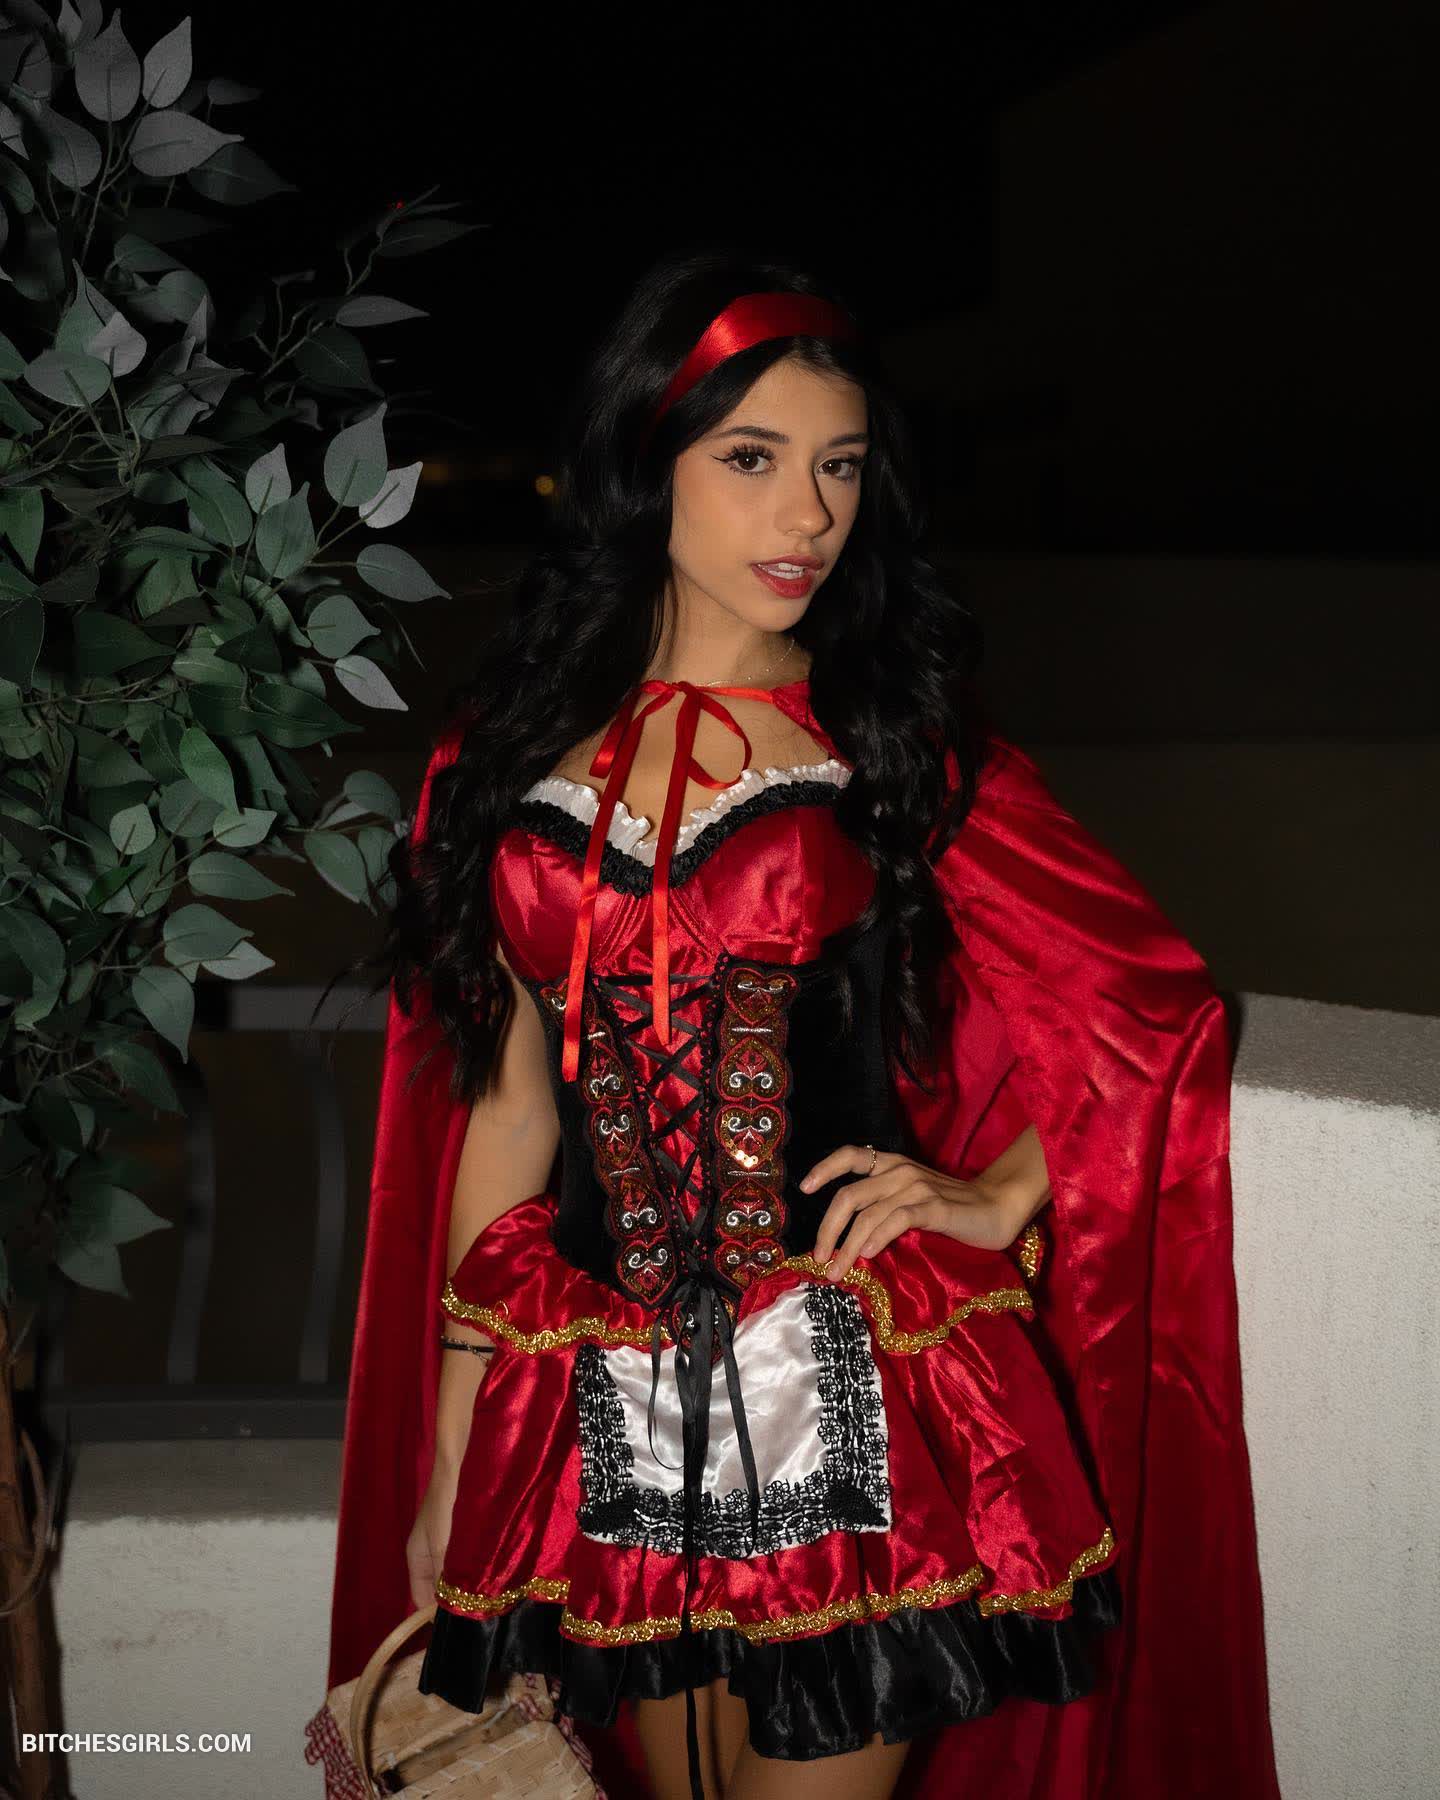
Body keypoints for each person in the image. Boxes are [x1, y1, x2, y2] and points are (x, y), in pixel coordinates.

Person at [311, 248, 1281, 1800]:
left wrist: (1000, 1193)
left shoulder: (891, 740)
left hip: (847, 1374)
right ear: (646, 462)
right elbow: (510, 1115)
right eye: (754, 460)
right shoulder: (509, 757)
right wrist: (449, 1454)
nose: (810, 517)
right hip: (606, 1393)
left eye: (839, 466)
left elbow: (1148, 1009)